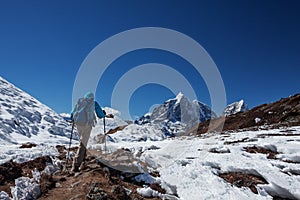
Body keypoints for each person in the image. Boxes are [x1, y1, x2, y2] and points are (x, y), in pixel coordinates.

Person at [70, 92, 113, 172]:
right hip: (87, 125)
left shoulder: (80, 102)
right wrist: (103, 114)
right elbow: (100, 115)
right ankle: (76, 165)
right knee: (83, 144)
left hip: (78, 124)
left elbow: (72, 113)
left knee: (82, 142)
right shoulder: (94, 104)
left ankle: (82, 159)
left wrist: (73, 119)